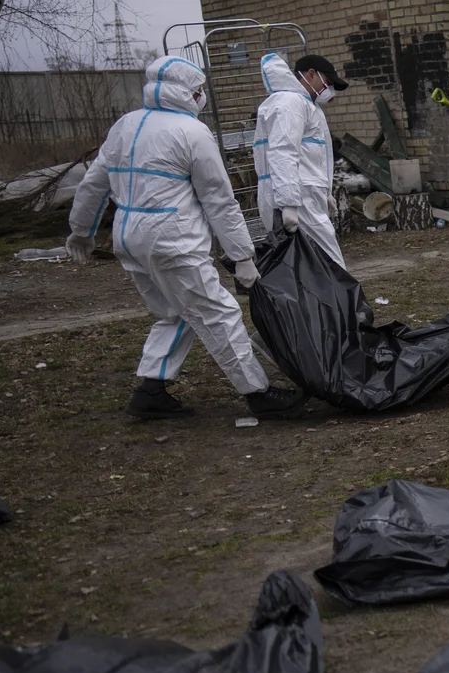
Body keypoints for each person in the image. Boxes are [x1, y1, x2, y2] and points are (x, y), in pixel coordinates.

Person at [65, 55, 308, 421]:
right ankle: (258, 393)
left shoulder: (125, 125)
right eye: (199, 91)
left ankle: (151, 390)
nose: (201, 97)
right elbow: (219, 200)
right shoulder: (191, 133)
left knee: (174, 312)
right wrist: (242, 255)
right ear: (191, 92)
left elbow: (94, 183)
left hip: (129, 239)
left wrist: (81, 230)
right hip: (172, 240)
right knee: (218, 312)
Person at [254, 52, 347, 267]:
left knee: (307, 265)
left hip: (302, 195)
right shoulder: (291, 103)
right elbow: (283, 151)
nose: (329, 89)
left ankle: (325, 300)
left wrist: (325, 192)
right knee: (329, 262)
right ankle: (340, 301)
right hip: (298, 197)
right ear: (311, 74)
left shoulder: (303, 104)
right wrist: (289, 203)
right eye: (328, 81)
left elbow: (311, 156)